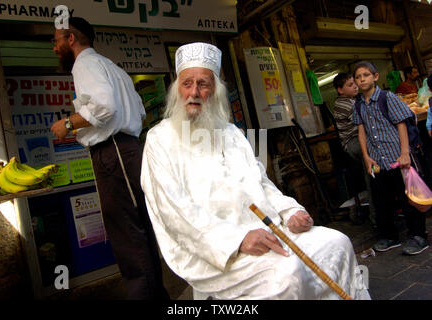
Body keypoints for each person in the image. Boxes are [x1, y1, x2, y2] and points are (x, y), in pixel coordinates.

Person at [140, 42, 370, 300]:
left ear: (215, 90)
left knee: (337, 243)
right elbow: (174, 211)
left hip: (267, 229)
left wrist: (289, 210)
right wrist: (237, 240)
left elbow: (262, 183)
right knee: (286, 274)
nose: (194, 92)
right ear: (176, 89)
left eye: (203, 84)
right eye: (187, 83)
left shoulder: (233, 134)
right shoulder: (159, 139)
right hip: (216, 250)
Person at [50, 17, 168, 300]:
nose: (54, 48)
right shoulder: (113, 68)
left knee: (126, 233)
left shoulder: (84, 64)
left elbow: (105, 107)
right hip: (128, 150)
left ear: (70, 40)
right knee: (140, 229)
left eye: (56, 41)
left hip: (113, 153)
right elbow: (139, 113)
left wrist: (67, 124)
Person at [353, 61, 429, 255]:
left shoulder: (388, 98)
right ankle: (389, 236)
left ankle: (418, 236)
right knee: (382, 200)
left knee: (407, 198)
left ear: (375, 77)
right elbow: (361, 132)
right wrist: (366, 157)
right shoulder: (359, 104)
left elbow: (401, 124)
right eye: (358, 77)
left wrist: (405, 153)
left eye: (366, 75)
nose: (362, 79)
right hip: (377, 161)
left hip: (396, 157)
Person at [332, 73, 376, 226]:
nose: (355, 86)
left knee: (375, 172)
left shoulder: (354, 100)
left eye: (354, 83)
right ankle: (377, 217)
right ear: (340, 90)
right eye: (350, 85)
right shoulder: (344, 103)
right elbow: (366, 119)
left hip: (361, 139)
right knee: (372, 174)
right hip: (353, 143)